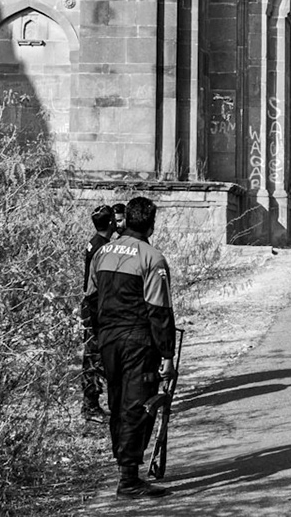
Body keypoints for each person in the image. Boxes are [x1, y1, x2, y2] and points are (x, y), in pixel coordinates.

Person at [84, 195, 176, 497]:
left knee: (117, 400)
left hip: (108, 339)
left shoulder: (103, 252)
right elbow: (159, 312)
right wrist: (167, 355)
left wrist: (97, 338)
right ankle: (128, 479)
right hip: (138, 340)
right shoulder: (152, 258)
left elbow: (91, 299)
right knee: (138, 403)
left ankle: (124, 466)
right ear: (150, 224)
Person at [79, 204, 119, 417]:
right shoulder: (102, 248)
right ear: (111, 222)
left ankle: (91, 403)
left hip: (91, 305)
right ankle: (90, 405)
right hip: (95, 307)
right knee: (94, 356)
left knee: (92, 355)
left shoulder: (94, 242)